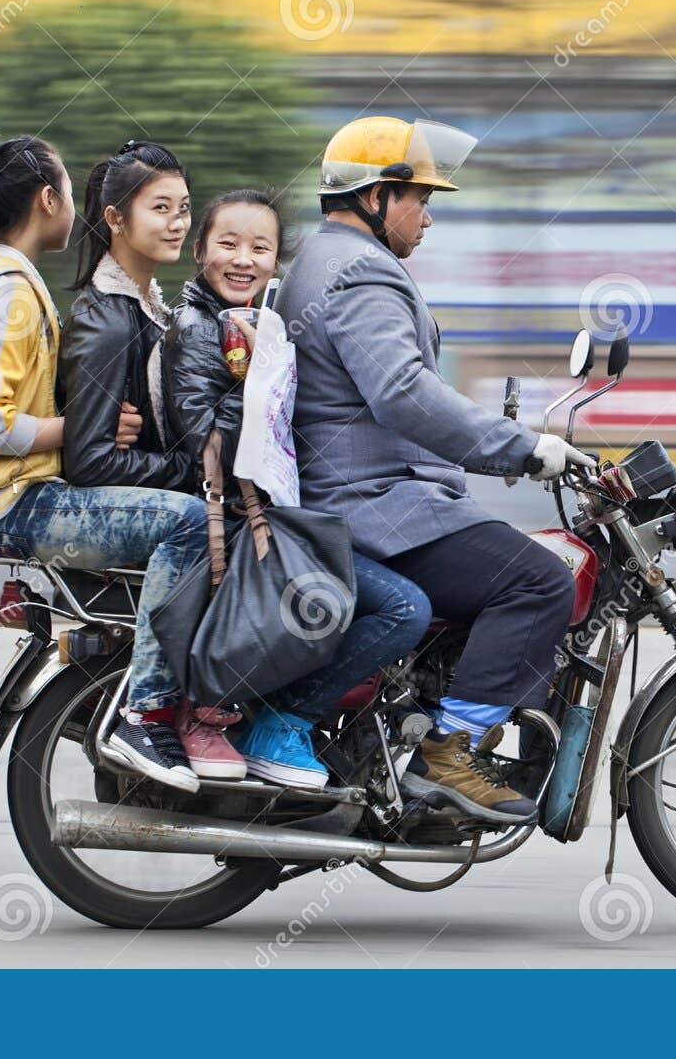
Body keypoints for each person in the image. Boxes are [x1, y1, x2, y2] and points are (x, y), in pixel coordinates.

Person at [272, 116, 589, 824]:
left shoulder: (329, 261)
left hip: (374, 496)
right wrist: (523, 446)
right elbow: (403, 391)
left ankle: (430, 727)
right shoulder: (361, 272)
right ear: (377, 195)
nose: (429, 215)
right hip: (373, 504)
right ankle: (449, 752)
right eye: (420, 198)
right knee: (540, 579)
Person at [0, 134, 219, 795]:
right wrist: (79, 428)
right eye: (71, 191)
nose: (75, 205)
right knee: (190, 523)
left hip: (8, 491)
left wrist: (82, 423)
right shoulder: (7, 289)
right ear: (48, 200)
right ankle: (146, 710)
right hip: (6, 504)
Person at [163, 189, 432, 788]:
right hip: (240, 526)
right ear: (200, 251)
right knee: (405, 608)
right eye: (228, 243)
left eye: (260, 247)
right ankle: (283, 725)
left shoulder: (257, 323)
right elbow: (212, 447)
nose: (244, 259)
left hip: (271, 514)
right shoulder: (201, 330)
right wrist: (261, 371)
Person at [58, 140, 247, 782]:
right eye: (159, 208)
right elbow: (90, 463)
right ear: (115, 219)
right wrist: (192, 475)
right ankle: (152, 710)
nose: (176, 223)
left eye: (184, 208)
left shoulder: (148, 309)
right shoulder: (110, 321)